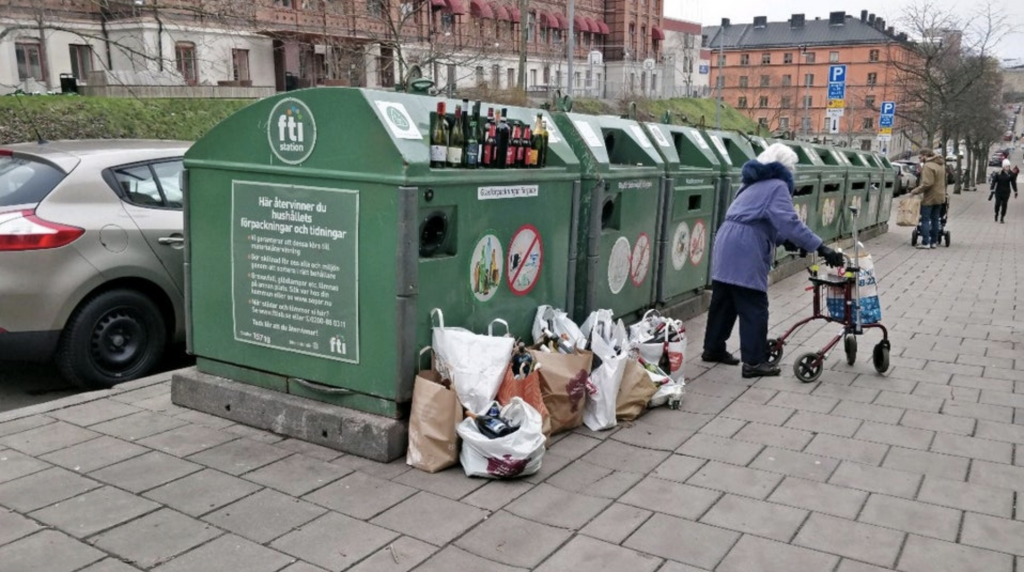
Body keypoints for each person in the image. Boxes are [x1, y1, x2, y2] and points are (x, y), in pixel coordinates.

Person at [701, 143, 844, 378]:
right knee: (754, 304)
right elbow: (790, 222)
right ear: (785, 168)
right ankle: (755, 362)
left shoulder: (751, 184)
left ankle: (713, 348)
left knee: (724, 301)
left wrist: (783, 240)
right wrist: (821, 247)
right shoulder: (777, 186)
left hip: (727, 241)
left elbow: (760, 218)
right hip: (746, 246)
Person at [908, 149, 946, 249]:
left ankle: (925, 242)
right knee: (935, 219)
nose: (920, 159)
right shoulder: (940, 164)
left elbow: (927, 183)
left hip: (930, 197)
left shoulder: (928, 166)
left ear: (925, 155)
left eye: (920, 157)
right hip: (940, 196)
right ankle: (934, 242)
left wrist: (914, 191)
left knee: (925, 219)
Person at [989, 159, 1018, 223]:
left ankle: (1002, 217)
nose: (1007, 167)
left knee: (1004, 205)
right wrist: (992, 189)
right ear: (1003, 167)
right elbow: (994, 181)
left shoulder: (1011, 174)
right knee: (997, 204)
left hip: (1006, 192)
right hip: (998, 191)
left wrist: (1015, 191)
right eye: (1006, 166)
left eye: (1008, 166)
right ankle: (996, 213)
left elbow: (1013, 183)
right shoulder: (999, 173)